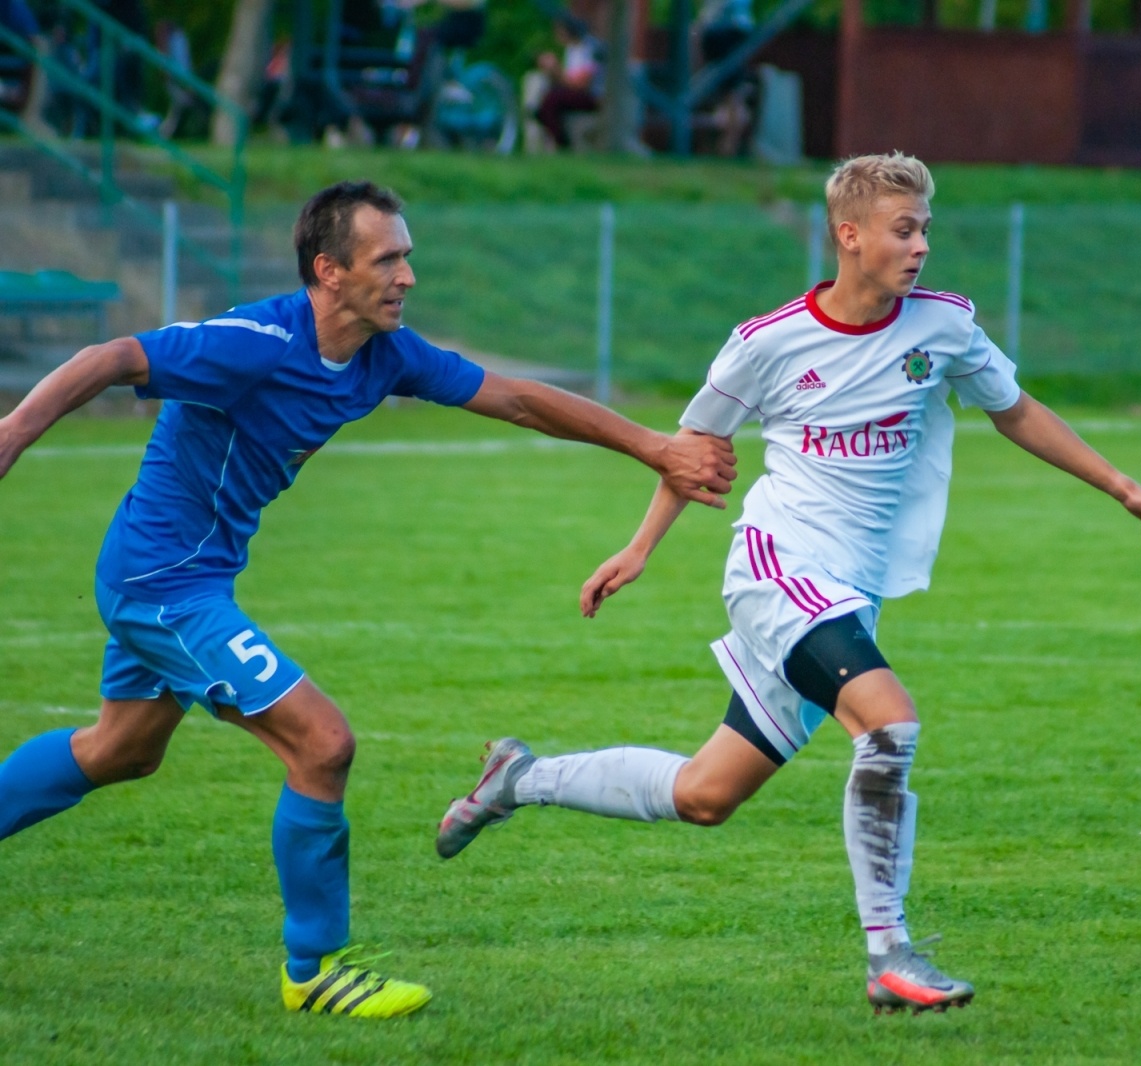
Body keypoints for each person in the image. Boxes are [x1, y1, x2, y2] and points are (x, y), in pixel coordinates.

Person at [435, 153, 1141, 1014]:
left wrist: (1123, 487)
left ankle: (518, 778)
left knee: (706, 795)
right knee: (890, 724)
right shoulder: (768, 343)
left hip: (847, 594)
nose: (921, 246)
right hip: (775, 569)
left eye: (926, 229)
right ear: (849, 234)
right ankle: (889, 954)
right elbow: (693, 447)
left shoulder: (943, 329)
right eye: (904, 230)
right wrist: (640, 547)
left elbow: (1015, 410)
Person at [0, 181, 737, 1019]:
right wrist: (12, 433)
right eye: (388, 258)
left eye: (407, 256)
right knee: (323, 744)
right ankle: (314, 972)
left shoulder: (386, 355)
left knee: (120, 751)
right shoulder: (253, 341)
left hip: (179, 575)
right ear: (329, 271)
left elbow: (521, 399)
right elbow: (115, 359)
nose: (408, 275)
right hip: (161, 585)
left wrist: (653, 448)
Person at [531, 16, 598, 151]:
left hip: (592, 96)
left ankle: (561, 143)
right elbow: (568, 80)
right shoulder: (571, 50)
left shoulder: (589, 49)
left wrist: (556, 70)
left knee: (552, 100)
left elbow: (582, 84)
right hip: (576, 93)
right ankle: (557, 137)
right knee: (547, 99)